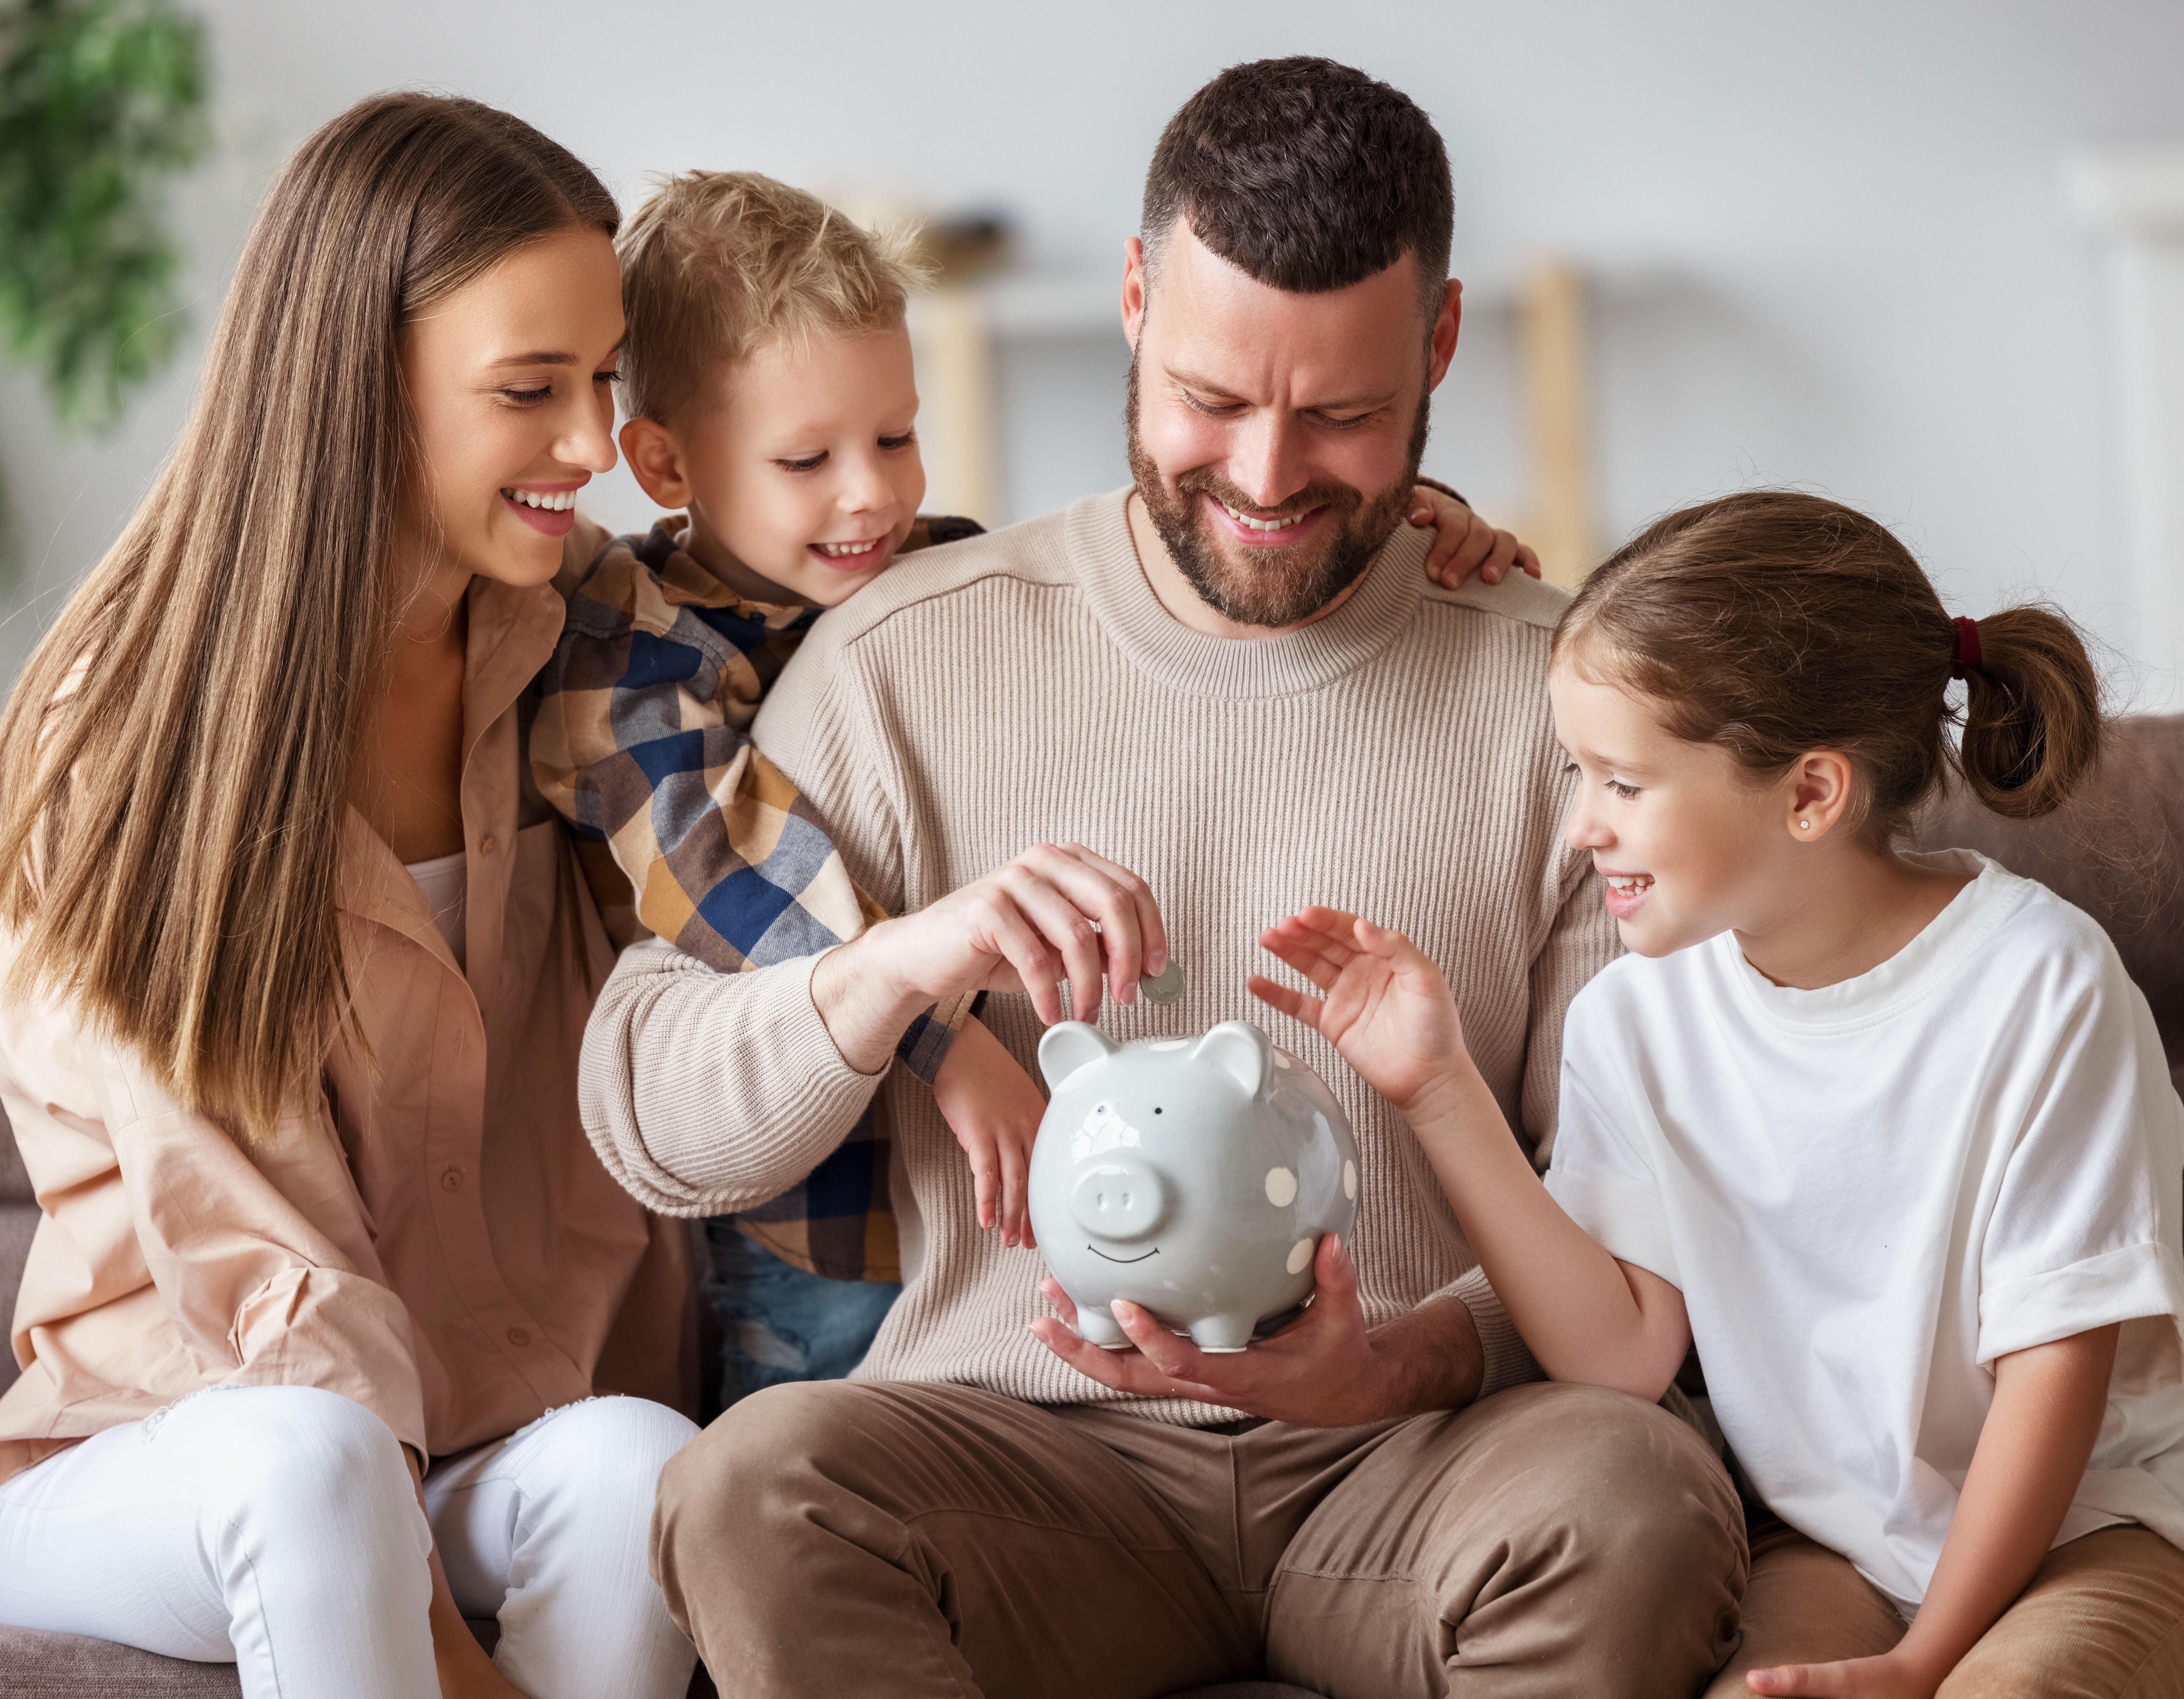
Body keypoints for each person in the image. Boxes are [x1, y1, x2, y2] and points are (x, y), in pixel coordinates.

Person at [583, 58, 1746, 1698]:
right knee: (748, 1488)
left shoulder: (1561, 698)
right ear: (1133, 302)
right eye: (1211, 399)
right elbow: (648, 1115)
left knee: (1635, 1495)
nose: (1265, 477)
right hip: (1019, 1460)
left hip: (1425, 1455)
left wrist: (1395, 1358)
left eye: (1340, 416)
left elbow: (1638, 1222)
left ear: (1439, 345)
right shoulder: (896, 653)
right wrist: (896, 966)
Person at [531, 168, 1535, 1412]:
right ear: (663, 463)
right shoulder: (632, 663)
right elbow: (736, 888)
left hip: (969, 1215)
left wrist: (1400, 521)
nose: (871, 494)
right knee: (810, 1435)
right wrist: (947, 1045)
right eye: (806, 459)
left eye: (895, 438)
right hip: (810, 1216)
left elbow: (1151, 550)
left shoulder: (928, 579)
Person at [1254, 491, 2184, 1699]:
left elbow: (2053, 1376)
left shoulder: (2038, 983)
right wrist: (1438, 1090)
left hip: (2107, 1520)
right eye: (1575, 773)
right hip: (1846, 1541)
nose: (1580, 828)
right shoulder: (1635, 1020)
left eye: (1623, 784)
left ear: (1810, 795)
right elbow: (1620, 1353)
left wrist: (1919, 1664)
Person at [0, 95, 699, 1699]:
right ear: (362, 381)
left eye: (604, 377)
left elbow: (815, 637)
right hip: (161, 1443)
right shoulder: (129, 729)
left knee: (638, 1463)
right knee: (311, 1460)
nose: (591, 446)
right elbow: (249, 1248)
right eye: (529, 390)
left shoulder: (583, 643)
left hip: (482, 1426)